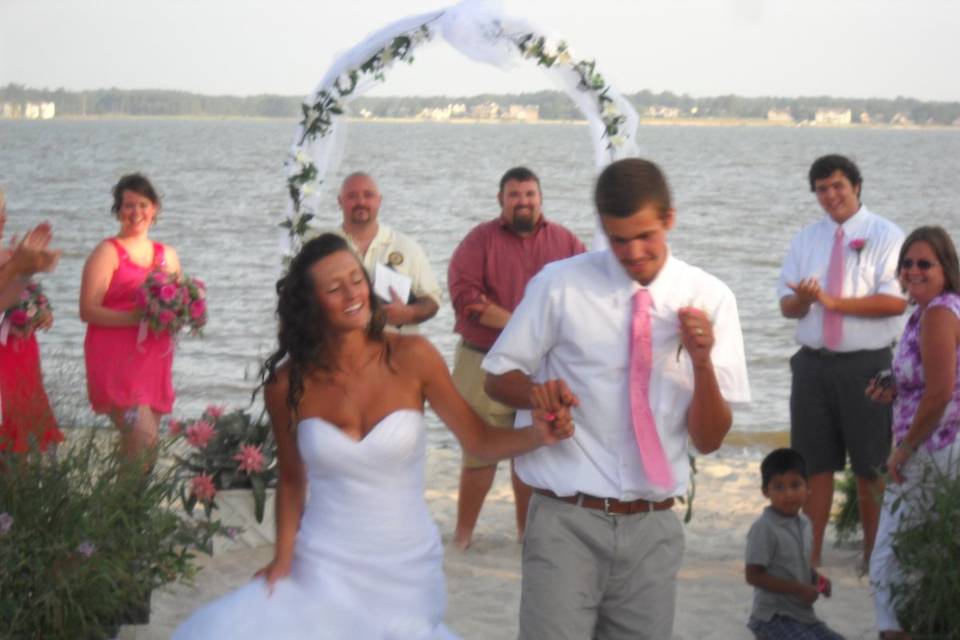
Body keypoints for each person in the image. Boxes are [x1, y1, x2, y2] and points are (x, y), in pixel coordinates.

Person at [173, 234, 573, 639]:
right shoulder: (287, 384)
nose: (352, 293)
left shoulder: (413, 357)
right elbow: (293, 479)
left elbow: (479, 441)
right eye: (334, 288)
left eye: (356, 279)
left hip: (405, 564)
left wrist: (538, 434)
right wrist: (282, 557)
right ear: (311, 306)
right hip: (323, 560)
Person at [483, 158, 751, 639]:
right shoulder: (559, 284)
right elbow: (497, 377)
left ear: (670, 218)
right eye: (618, 239)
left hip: (653, 526)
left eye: (645, 235)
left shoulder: (711, 297)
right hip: (565, 516)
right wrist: (536, 391)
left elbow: (709, 440)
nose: (633, 252)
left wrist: (703, 361)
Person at [777, 154, 907, 568]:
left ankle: (875, 556)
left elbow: (894, 302)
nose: (830, 195)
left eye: (837, 186)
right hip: (812, 365)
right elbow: (788, 306)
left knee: (870, 467)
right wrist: (805, 299)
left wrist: (832, 301)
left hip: (866, 365)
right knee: (814, 465)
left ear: (855, 186)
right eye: (821, 189)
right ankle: (810, 556)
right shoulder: (806, 240)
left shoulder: (886, 235)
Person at [448, 166, 586, 550]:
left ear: (540, 198)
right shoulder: (478, 242)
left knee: (530, 451)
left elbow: (587, 293)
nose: (523, 202)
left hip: (542, 366)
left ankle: (528, 536)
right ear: (500, 200)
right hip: (482, 361)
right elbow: (466, 299)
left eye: (529, 194)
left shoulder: (567, 243)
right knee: (479, 453)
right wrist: (524, 324)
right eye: (514, 195)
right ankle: (462, 537)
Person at [867, 226, 960, 639]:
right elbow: (929, 383)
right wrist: (893, 386)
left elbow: (939, 394)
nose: (913, 270)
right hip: (938, 448)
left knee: (888, 562)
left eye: (925, 263)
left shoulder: (940, 313)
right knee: (928, 556)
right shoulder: (930, 312)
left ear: (946, 268)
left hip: (933, 451)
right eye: (907, 263)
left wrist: (903, 448)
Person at [80, 174, 181, 461]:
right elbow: (87, 310)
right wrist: (138, 318)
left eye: (143, 205)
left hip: (154, 360)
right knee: (144, 440)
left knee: (141, 453)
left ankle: (125, 506)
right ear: (118, 210)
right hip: (116, 360)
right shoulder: (107, 252)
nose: (136, 212)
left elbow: (177, 304)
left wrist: (180, 313)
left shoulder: (167, 256)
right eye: (128, 205)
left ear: (155, 209)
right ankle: (126, 505)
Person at [745, 448, 843, 640]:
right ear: (766, 491)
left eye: (795, 485)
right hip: (773, 616)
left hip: (801, 614)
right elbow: (753, 576)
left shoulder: (805, 524)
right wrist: (799, 589)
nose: (788, 494)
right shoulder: (765, 528)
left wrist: (819, 581)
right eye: (779, 487)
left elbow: (801, 566)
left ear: (808, 488)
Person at [332, 172, 440, 333]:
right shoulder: (325, 250)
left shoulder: (407, 247)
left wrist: (408, 313)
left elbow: (432, 302)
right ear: (340, 201)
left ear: (379, 200)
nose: (361, 202)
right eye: (352, 196)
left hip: (397, 352)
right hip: (341, 352)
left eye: (368, 195)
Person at [0, 189, 62, 453]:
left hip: (19, 349)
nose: (2, 218)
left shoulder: (7, 254)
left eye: (2, 211)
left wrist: (27, 270)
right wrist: (18, 266)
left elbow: (5, 302)